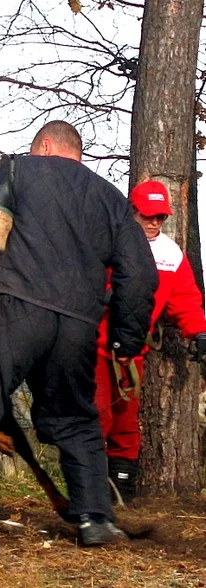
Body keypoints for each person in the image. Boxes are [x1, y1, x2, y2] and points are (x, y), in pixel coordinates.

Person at [0, 121, 158, 561]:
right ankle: (97, 519)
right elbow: (140, 274)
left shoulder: (19, 169)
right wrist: (125, 340)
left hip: (17, 307)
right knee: (76, 418)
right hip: (79, 325)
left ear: (46, 146)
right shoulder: (110, 198)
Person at [95, 180, 206, 504]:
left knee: (126, 423)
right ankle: (91, 491)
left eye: (160, 216)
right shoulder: (108, 242)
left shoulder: (171, 254)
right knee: (97, 416)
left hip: (134, 351)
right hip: (94, 345)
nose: (155, 222)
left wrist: (199, 332)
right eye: (148, 215)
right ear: (132, 211)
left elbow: (185, 299)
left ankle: (121, 494)